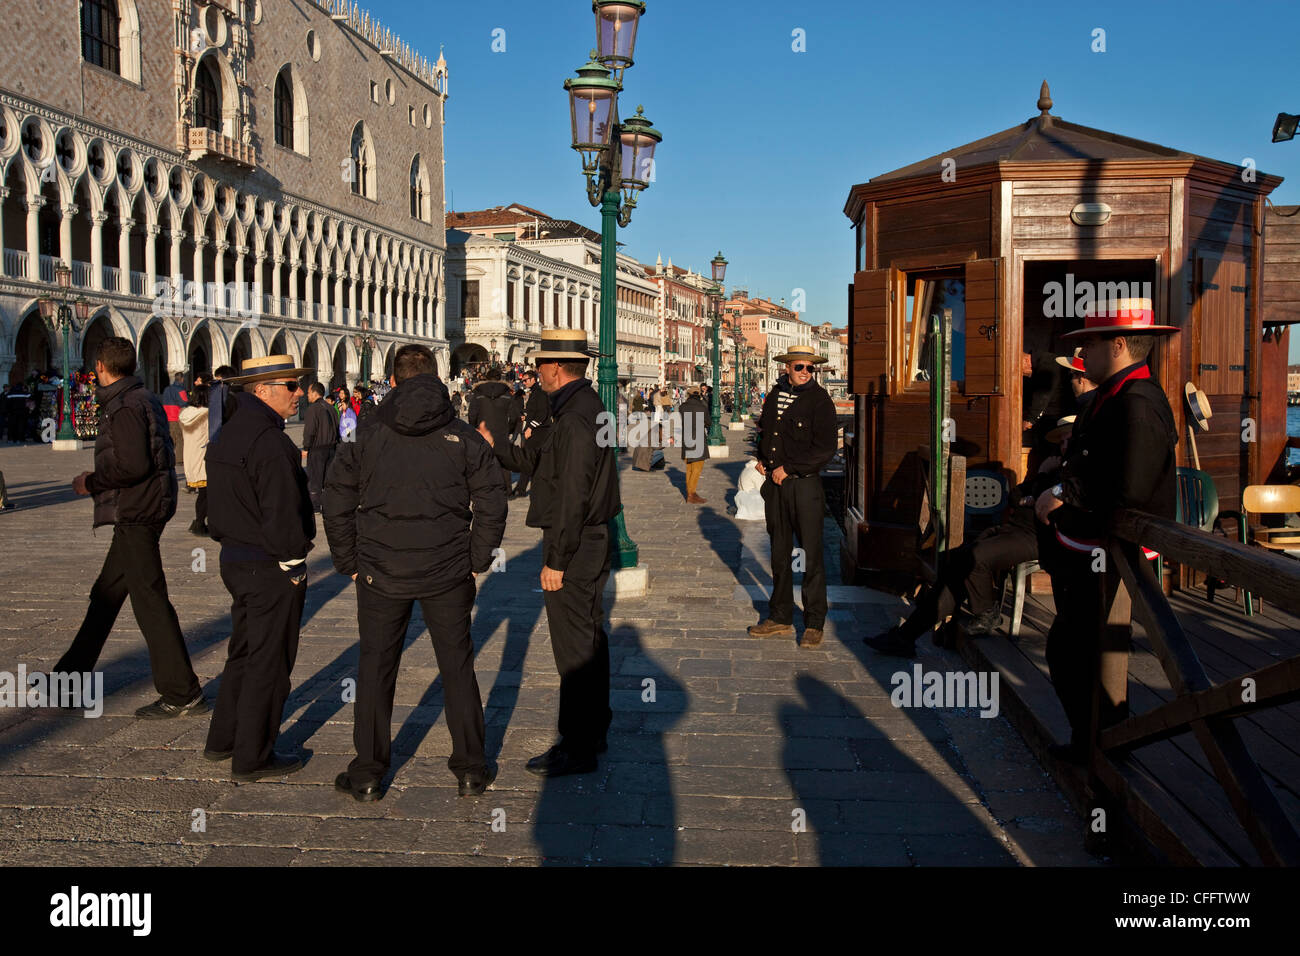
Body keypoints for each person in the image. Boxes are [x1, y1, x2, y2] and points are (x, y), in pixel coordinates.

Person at [325, 345, 507, 800]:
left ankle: (368, 773)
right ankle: (471, 768)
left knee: (375, 668)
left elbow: (336, 498)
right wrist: (476, 558)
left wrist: (348, 560)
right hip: (447, 569)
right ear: (435, 375)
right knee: (457, 667)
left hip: (381, 570)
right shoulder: (462, 436)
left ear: (394, 378)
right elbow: (492, 500)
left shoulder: (363, 434)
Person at [1035, 299, 1178, 764]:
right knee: (1076, 649)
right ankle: (1096, 742)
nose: (1083, 356)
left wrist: (1065, 490)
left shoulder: (1139, 402)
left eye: (1089, 344)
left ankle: (1102, 745)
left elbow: (1130, 486)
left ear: (1118, 344)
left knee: (1071, 650)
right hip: (1092, 545)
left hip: (1112, 547)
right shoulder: (1113, 396)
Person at [478, 330, 621, 777]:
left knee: (574, 647)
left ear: (557, 368)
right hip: (588, 539)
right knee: (589, 639)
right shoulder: (578, 409)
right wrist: (495, 447)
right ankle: (592, 730)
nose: (535, 373)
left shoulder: (576, 417)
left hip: (577, 543)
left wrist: (556, 559)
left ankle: (577, 745)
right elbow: (535, 461)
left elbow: (573, 495)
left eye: (540, 365)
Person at [52, 337, 205, 718]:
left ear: (101, 367)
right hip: (147, 508)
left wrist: (91, 481)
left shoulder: (122, 407)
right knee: (105, 595)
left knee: (149, 600)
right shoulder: (145, 397)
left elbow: (133, 465)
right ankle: (68, 680)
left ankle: (181, 692)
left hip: (138, 511)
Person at [204, 354, 316, 782]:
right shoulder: (270, 442)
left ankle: (223, 738)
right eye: (291, 386)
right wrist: (293, 562)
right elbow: (282, 512)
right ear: (262, 390)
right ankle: (253, 755)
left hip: (234, 557)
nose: (299, 394)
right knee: (269, 660)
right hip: (269, 564)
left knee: (244, 651)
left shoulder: (228, 434)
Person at [748, 345, 838, 648]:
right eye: (799, 367)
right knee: (779, 552)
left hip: (804, 485)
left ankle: (814, 622)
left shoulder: (820, 401)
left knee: (812, 555)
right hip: (775, 486)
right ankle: (780, 616)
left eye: (810, 368)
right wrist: (761, 458)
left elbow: (826, 449)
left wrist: (790, 468)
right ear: (787, 367)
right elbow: (766, 433)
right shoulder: (774, 396)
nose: (804, 373)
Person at [468, 367, 517, 493]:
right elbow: (513, 416)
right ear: (500, 379)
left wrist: (475, 427)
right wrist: (509, 429)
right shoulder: (507, 394)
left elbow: (472, 414)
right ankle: (507, 488)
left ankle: (483, 486)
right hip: (501, 431)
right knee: (504, 461)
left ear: (486, 378)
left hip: (483, 431)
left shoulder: (478, 394)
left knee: (482, 460)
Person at [510, 368, 550, 499]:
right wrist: (526, 417)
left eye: (526, 380)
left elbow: (542, 414)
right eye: (523, 380)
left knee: (528, 461)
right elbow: (535, 412)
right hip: (535, 432)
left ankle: (522, 489)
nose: (524, 382)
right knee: (530, 461)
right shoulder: (535, 393)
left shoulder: (540, 393)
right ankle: (522, 489)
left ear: (534, 379)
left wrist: (530, 428)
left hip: (538, 433)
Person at [301, 382, 339, 512]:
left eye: (309, 392)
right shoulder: (331, 408)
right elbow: (337, 428)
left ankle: (315, 505)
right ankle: (330, 503)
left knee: (315, 479)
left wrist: (306, 447)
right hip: (331, 448)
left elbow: (310, 430)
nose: (307, 395)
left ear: (315, 393)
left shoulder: (313, 409)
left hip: (317, 449)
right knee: (328, 478)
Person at [179, 384, 211, 536]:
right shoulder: (207, 413)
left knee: (204, 494)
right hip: (204, 456)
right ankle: (199, 523)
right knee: (206, 494)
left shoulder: (185, 413)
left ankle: (200, 522)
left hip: (191, 456)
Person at [679, 385, 710, 504]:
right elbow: (708, 422)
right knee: (697, 468)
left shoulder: (682, 407)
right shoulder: (702, 407)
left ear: (689, 395)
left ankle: (690, 492)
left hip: (687, 437)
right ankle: (691, 494)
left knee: (689, 467)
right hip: (698, 438)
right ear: (699, 395)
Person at [162, 373, 188, 469]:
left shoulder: (166, 389)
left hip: (167, 416)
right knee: (180, 438)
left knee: (170, 438)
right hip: (176, 416)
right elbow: (184, 403)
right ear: (181, 379)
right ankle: (179, 459)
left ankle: (168, 457)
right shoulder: (180, 390)